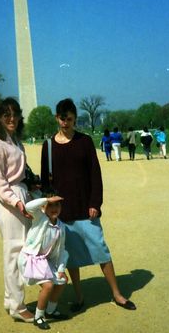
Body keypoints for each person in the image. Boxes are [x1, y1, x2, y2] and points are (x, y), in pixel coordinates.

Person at [40, 98, 136, 312]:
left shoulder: (84, 142)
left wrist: (95, 202)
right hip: (63, 212)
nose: (66, 123)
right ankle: (79, 296)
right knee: (70, 258)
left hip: (85, 207)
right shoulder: (47, 146)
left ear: (75, 119)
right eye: (62, 119)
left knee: (101, 250)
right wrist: (50, 210)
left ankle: (117, 294)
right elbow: (46, 183)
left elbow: (95, 174)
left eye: (70, 119)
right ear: (57, 118)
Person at [0, 97, 34, 323]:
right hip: (9, 201)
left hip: (20, 195)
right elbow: (0, 183)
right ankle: (17, 306)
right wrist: (17, 202)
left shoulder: (14, 141)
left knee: (17, 250)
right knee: (14, 252)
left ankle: (9, 299)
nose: (11, 118)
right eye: (6, 114)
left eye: (14, 114)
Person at [18, 193, 69, 330]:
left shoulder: (61, 226)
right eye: (50, 205)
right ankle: (38, 316)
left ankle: (50, 311)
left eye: (57, 204)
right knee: (48, 286)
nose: (54, 208)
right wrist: (46, 199)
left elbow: (62, 250)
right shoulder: (40, 218)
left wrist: (61, 270)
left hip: (44, 261)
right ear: (43, 207)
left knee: (62, 281)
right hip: (30, 259)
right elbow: (29, 206)